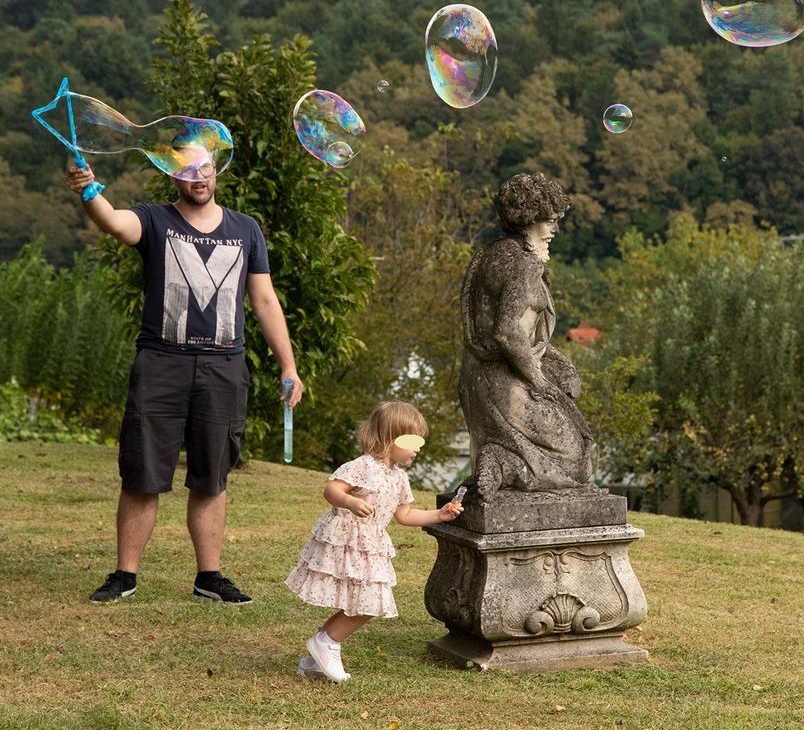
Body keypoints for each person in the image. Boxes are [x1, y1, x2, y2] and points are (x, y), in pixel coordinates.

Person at [66, 159, 303, 604]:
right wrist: (88, 190)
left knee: (212, 477)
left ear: (217, 171)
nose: (199, 178)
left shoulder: (246, 229)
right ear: (173, 175)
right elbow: (114, 222)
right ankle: (124, 575)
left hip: (224, 368)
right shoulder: (155, 219)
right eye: (189, 170)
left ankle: (208, 577)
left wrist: (288, 366)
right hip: (160, 364)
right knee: (142, 473)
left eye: (206, 168)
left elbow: (265, 300)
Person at [285, 401, 462, 682]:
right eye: (412, 441)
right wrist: (349, 501)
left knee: (363, 602)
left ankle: (314, 659)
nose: (418, 448)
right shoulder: (363, 466)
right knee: (366, 603)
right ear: (391, 438)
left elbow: (404, 514)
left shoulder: (400, 478)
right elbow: (331, 489)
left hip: (373, 544)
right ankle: (326, 643)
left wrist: (439, 515)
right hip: (348, 541)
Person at [459, 172, 594, 495]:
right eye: (549, 221)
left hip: (475, 383)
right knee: (579, 459)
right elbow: (507, 332)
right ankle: (505, 463)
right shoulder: (524, 264)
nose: (554, 230)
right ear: (528, 220)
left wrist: (558, 363)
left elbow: (507, 332)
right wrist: (539, 381)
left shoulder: (486, 256)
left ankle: (502, 461)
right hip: (508, 386)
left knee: (571, 445)